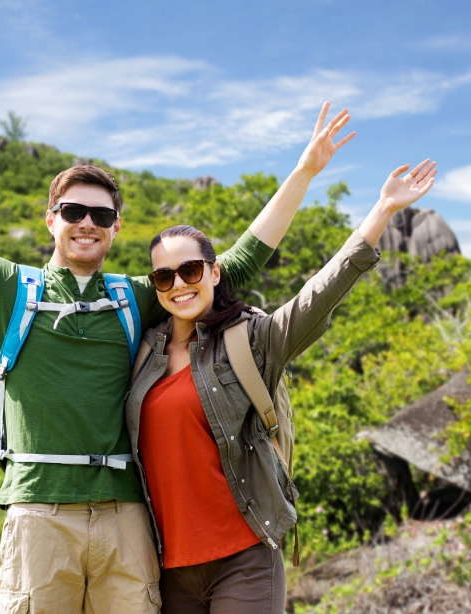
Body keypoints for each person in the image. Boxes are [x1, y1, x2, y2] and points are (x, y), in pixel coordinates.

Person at [0, 32, 355, 614]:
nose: (87, 223)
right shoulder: (5, 288)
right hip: (38, 515)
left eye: (101, 214)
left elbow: (233, 262)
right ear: (50, 219)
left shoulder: (138, 296)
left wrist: (305, 171)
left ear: (116, 227)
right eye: (74, 211)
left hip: (127, 518)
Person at [125, 160, 437, 613]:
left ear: (214, 273)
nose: (178, 285)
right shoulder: (140, 354)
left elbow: (320, 294)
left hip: (243, 557)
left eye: (191, 270)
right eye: (163, 277)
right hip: (166, 568)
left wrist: (383, 209)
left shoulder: (251, 339)